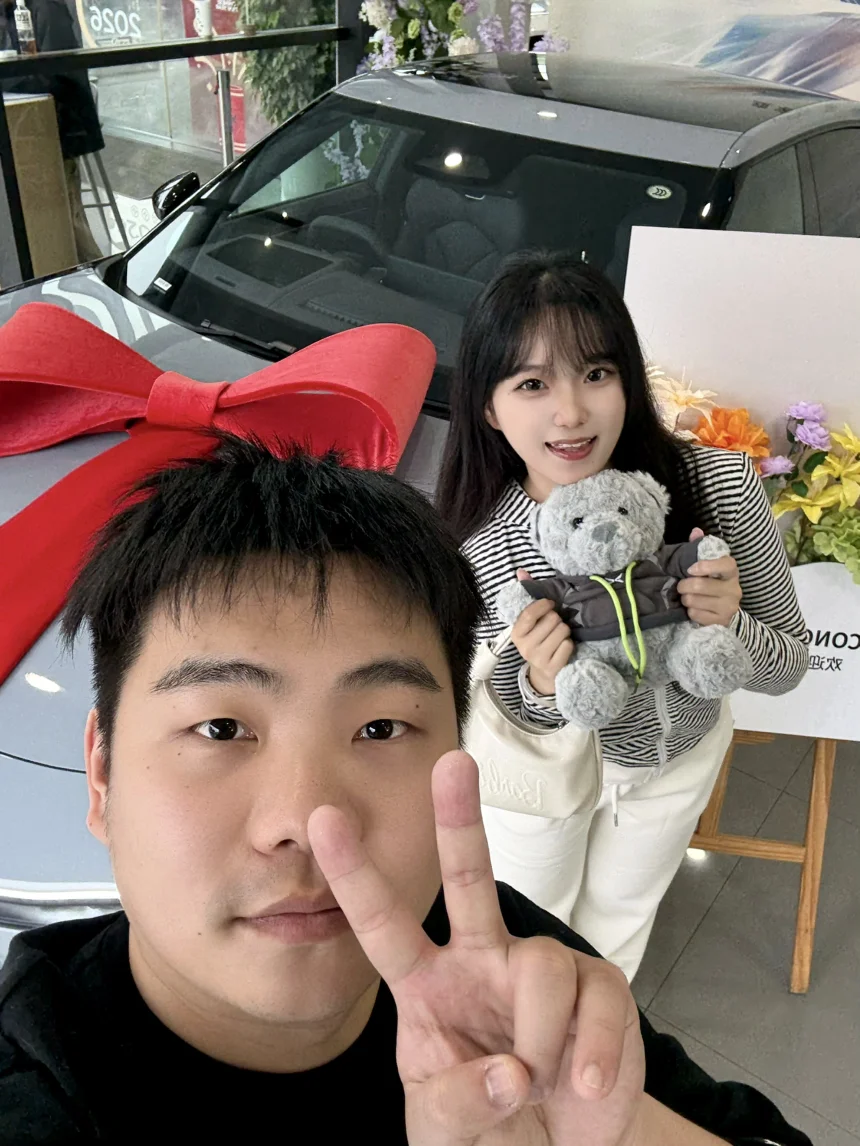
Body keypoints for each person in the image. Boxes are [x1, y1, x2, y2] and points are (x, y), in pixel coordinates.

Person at [0, 436, 810, 1145]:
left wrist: (620, 1134)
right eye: (220, 728)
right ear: (102, 772)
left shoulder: (507, 979)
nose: (308, 824)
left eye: (381, 727)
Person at [436, 251, 809, 983]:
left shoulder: (719, 487)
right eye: (533, 384)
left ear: (629, 383)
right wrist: (539, 685)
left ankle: (594, 1049)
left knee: (613, 942)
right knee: (527, 948)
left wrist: (730, 624)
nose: (570, 413)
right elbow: (477, 712)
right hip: (539, 784)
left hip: (675, 765)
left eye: (596, 373)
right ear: (489, 407)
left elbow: (789, 666)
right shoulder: (480, 546)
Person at [1, 0, 104, 263]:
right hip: (24, 132)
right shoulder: (8, 13)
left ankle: (104, 278)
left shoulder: (47, 8)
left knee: (68, 225)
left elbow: (58, 75)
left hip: (59, 132)